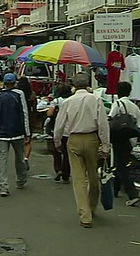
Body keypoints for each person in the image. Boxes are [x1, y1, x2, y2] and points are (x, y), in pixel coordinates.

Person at [54, 73, 110, 228]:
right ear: (87, 85)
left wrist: (57, 141)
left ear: (74, 86)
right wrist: (106, 145)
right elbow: (103, 125)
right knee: (93, 175)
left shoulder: (67, 102)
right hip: (92, 139)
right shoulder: (96, 100)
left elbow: (59, 125)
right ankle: (92, 207)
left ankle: (85, 216)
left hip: (74, 139)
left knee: (78, 179)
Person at [0, 73, 31, 197]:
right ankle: (21, 180)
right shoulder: (19, 94)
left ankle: (3, 186)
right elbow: (24, 113)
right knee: (19, 157)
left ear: (4, 83)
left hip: (3, 133)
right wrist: (27, 132)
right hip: (17, 132)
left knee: (2, 159)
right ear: (15, 82)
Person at [109, 81, 140, 206]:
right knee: (120, 162)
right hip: (131, 140)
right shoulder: (135, 107)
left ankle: (132, 193)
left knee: (122, 166)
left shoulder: (117, 104)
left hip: (119, 139)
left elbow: (111, 118)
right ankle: (116, 189)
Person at [47, 84, 73, 184]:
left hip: (57, 129)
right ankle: (65, 173)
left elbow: (49, 113)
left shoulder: (56, 101)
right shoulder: (72, 101)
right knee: (67, 154)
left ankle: (58, 169)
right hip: (69, 130)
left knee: (56, 152)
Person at [16, 76, 36, 171]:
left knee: (19, 140)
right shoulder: (32, 94)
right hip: (29, 117)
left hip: (18, 118)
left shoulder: (17, 94)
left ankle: (20, 158)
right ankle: (26, 158)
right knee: (28, 140)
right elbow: (35, 108)